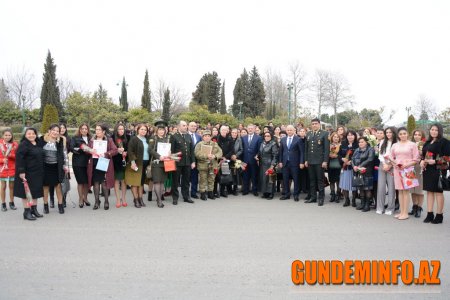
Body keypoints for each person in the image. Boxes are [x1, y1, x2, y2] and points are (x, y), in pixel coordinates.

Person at [389, 127, 420, 220]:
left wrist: (406, 165)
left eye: (404, 133)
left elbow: (416, 159)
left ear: (408, 134)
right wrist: (394, 163)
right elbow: (391, 157)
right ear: (398, 135)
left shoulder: (412, 145)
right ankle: (401, 212)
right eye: (401, 134)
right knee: (400, 191)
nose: (403, 135)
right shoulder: (394, 145)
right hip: (397, 169)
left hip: (408, 170)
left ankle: (405, 213)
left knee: (406, 191)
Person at [13, 128, 44, 220]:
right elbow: (19, 159)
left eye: (33, 133)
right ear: (25, 135)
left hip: (37, 172)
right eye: (29, 134)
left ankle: (34, 210)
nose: (31, 135)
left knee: (36, 191)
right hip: (26, 173)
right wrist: (21, 171)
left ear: (36, 134)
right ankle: (26, 212)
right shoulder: (23, 145)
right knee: (26, 192)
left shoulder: (38, 143)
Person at [421, 123, 448, 224]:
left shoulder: (444, 142)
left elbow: (447, 158)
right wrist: (422, 161)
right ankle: (429, 214)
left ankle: (439, 215)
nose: (434, 132)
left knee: (438, 192)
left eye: (436, 130)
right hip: (428, 170)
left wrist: (435, 161)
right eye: (432, 129)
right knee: (429, 191)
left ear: (440, 131)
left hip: (438, 169)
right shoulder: (428, 142)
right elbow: (424, 155)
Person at [38, 124, 68, 214]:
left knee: (58, 186)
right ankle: (45, 205)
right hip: (45, 167)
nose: (55, 132)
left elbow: (64, 153)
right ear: (49, 130)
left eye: (57, 131)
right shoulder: (42, 139)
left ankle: (60, 205)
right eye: (53, 130)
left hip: (57, 167)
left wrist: (66, 165)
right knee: (45, 187)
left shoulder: (61, 140)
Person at [87, 124, 118, 210]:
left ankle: (106, 201)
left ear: (103, 131)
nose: (97, 131)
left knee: (104, 182)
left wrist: (106, 154)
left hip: (103, 162)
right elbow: (87, 150)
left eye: (99, 130)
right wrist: (90, 150)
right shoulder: (92, 140)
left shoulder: (109, 140)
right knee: (96, 183)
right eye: (96, 129)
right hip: (94, 162)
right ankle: (97, 201)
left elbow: (115, 150)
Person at [304, 118, 330, 206]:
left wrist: (325, 161)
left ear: (319, 124)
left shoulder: (325, 133)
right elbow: (306, 149)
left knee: (320, 180)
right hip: (310, 161)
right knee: (311, 180)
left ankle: (321, 198)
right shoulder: (308, 133)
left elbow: (326, 149)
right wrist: (306, 160)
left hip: (319, 161)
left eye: (316, 123)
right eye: (313, 124)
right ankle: (313, 197)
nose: (314, 125)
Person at [170, 120, 196, 205]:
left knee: (186, 180)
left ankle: (186, 197)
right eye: (184, 125)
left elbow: (192, 150)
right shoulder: (174, 136)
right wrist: (173, 160)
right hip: (177, 162)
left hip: (187, 162)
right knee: (175, 180)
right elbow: (171, 151)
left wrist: (193, 162)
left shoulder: (188, 136)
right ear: (179, 127)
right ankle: (175, 197)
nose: (185, 127)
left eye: (186, 125)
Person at [125, 123, 150, 208]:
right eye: (142, 129)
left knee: (141, 183)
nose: (143, 131)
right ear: (137, 130)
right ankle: (136, 200)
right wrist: (132, 162)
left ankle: (140, 199)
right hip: (136, 164)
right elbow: (130, 151)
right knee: (135, 182)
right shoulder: (134, 139)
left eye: (145, 130)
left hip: (145, 164)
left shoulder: (147, 140)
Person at [278, 125, 304, 201]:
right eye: (288, 130)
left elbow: (301, 152)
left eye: (291, 130)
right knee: (285, 179)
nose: (289, 131)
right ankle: (286, 194)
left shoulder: (298, 139)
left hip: (295, 163)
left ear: (294, 131)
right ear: (286, 131)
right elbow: (281, 152)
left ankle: (296, 195)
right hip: (285, 162)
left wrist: (301, 162)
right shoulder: (283, 139)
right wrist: (280, 161)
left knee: (296, 179)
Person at [194, 130, 222, 200]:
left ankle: (210, 192)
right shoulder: (199, 144)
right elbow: (197, 154)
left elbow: (220, 152)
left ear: (210, 137)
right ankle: (202, 193)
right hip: (203, 165)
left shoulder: (215, 144)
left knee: (211, 179)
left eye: (208, 136)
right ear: (203, 137)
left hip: (213, 165)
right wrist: (206, 156)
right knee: (202, 180)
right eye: (205, 136)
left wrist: (215, 156)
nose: (207, 137)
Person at [149, 120, 170, 208]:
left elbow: (168, 149)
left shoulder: (166, 139)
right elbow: (150, 150)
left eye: (163, 130)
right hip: (156, 163)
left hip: (165, 163)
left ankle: (160, 196)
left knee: (162, 182)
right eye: (159, 130)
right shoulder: (153, 138)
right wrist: (159, 156)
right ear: (156, 130)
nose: (161, 131)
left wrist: (169, 153)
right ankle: (159, 200)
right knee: (157, 182)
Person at [376, 127, 397, 215]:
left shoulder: (397, 144)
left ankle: (390, 208)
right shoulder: (382, 142)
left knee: (391, 187)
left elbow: (397, 156)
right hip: (382, 165)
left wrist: (390, 165)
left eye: (390, 132)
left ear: (394, 133)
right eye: (387, 132)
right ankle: (380, 207)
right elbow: (380, 154)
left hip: (392, 166)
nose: (388, 134)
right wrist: (384, 164)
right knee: (381, 187)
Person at [352, 137, 375, 212]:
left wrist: (360, 166)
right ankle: (362, 203)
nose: (360, 143)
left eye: (362, 142)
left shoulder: (370, 149)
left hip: (367, 171)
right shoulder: (356, 150)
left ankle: (367, 205)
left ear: (366, 142)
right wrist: (354, 166)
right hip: (358, 171)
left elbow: (370, 159)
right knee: (361, 188)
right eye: (359, 142)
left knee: (367, 189)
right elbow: (352, 159)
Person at [70, 123, 91, 208]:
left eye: (86, 129)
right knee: (80, 182)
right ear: (80, 129)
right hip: (78, 163)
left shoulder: (92, 138)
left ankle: (85, 198)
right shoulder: (75, 138)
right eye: (82, 128)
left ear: (88, 130)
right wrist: (81, 149)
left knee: (86, 182)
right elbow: (71, 148)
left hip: (89, 163)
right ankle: (80, 199)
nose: (84, 130)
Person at [408, 129, 426, 217]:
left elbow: (427, 156)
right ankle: (414, 206)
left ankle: (419, 208)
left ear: (422, 136)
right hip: (411, 167)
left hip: (420, 167)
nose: (417, 136)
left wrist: (421, 153)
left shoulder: (425, 145)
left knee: (419, 190)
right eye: (415, 134)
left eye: (419, 135)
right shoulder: (410, 144)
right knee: (413, 189)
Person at [241, 124, 262, 196]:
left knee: (254, 176)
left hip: (254, 160)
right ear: (247, 129)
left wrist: (257, 156)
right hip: (245, 160)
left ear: (254, 129)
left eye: (251, 128)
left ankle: (255, 190)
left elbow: (260, 149)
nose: (250, 129)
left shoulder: (259, 138)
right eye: (249, 128)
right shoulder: (243, 138)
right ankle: (245, 190)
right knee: (245, 176)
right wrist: (241, 161)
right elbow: (242, 149)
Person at [339, 130, 358, 207]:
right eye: (348, 135)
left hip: (354, 167)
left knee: (354, 185)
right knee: (344, 185)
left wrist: (351, 162)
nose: (350, 136)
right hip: (345, 167)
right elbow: (339, 155)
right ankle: (346, 200)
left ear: (355, 136)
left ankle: (353, 200)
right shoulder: (343, 144)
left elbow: (359, 156)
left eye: (352, 135)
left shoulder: (357, 145)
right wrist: (342, 159)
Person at [0, 129, 18, 212]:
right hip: (2, 169)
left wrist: (11, 155)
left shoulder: (14, 144)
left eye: (9, 135)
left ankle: (12, 202)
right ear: (3, 135)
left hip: (12, 168)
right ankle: (3, 204)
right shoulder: (0, 144)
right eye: (6, 135)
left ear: (12, 136)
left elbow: (18, 156)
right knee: (3, 187)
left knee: (12, 187)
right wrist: (2, 160)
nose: (7, 137)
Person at [257, 131, 279, 199]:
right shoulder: (262, 143)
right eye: (265, 136)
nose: (266, 137)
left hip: (270, 164)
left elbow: (275, 155)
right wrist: (257, 156)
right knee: (264, 179)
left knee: (270, 179)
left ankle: (271, 193)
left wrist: (272, 165)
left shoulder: (273, 144)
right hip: (262, 164)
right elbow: (260, 152)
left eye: (268, 136)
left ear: (271, 136)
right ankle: (265, 192)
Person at [112, 123, 128, 208]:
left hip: (125, 161)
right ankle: (118, 199)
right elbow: (109, 149)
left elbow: (130, 148)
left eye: (122, 129)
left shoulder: (127, 137)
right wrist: (117, 150)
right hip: (115, 161)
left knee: (124, 181)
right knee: (117, 180)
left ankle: (124, 198)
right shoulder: (112, 138)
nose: (121, 131)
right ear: (116, 130)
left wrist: (126, 152)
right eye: (119, 129)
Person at [217, 125, 235, 197]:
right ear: (220, 131)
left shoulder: (230, 139)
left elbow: (232, 150)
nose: (224, 131)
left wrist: (225, 157)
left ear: (227, 131)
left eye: (225, 130)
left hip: (226, 160)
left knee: (225, 175)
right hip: (218, 159)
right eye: (222, 130)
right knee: (217, 176)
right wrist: (220, 157)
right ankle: (215, 191)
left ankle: (223, 191)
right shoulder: (216, 138)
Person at [188, 121, 202, 199]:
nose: (193, 127)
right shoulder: (185, 135)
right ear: (188, 126)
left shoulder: (199, 136)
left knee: (195, 177)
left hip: (196, 160)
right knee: (186, 177)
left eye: (195, 126)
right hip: (187, 159)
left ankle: (193, 192)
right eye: (192, 126)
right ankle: (186, 192)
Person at [328, 132, 342, 203]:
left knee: (338, 181)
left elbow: (344, 155)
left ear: (339, 138)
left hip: (339, 165)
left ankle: (338, 195)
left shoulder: (341, 145)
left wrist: (337, 156)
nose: (336, 138)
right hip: (330, 165)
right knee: (331, 181)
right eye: (334, 137)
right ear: (332, 138)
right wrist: (329, 155)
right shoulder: (328, 145)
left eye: (337, 137)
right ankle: (332, 195)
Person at [230, 128, 243, 195]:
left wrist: (236, 155)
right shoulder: (228, 139)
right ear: (231, 133)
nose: (234, 134)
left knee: (236, 175)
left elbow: (241, 149)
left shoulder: (239, 140)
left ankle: (235, 189)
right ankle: (229, 189)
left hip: (237, 159)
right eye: (233, 132)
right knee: (229, 174)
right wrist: (231, 156)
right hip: (229, 159)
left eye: (236, 133)